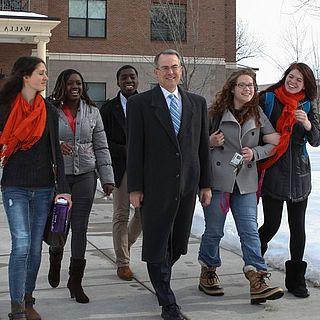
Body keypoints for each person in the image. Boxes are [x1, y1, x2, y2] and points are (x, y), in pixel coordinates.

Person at [126, 49, 212, 320]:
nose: (170, 72)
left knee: (176, 244)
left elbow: (202, 148)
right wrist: (135, 188)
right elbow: (134, 149)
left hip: (187, 186)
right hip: (155, 187)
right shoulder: (140, 104)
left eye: (174, 67)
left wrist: (205, 185)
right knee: (156, 243)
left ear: (181, 70)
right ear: (156, 72)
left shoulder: (197, 103)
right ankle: (167, 301)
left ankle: (161, 277)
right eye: (164, 68)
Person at [197, 68, 284, 304]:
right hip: (217, 182)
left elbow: (275, 142)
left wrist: (255, 153)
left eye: (251, 86)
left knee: (249, 230)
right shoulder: (214, 113)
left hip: (245, 182)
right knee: (214, 230)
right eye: (243, 85)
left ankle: (257, 277)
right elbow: (192, 144)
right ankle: (208, 271)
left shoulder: (257, 114)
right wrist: (209, 141)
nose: (248, 89)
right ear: (232, 88)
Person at [0, 56, 71, 320]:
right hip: (14, 186)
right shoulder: (5, 108)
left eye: (45, 73)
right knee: (20, 244)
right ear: (25, 77)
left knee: (35, 248)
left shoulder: (50, 111)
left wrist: (63, 189)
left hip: (43, 189)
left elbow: (57, 153)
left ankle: (28, 299)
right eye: (40, 73)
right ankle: (16, 306)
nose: (45, 77)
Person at [47, 69, 114, 303]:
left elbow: (102, 147)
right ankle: (55, 257)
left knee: (80, 228)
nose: (75, 87)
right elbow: (40, 140)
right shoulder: (50, 111)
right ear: (61, 86)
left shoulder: (93, 112)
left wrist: (107, 178)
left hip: (86, 176)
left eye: (79, 83)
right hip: (60, 179)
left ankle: (75, 281)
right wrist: (56, 144)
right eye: (70, 83)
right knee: (59, 227)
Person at [258, 62, 320, 298]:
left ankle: (296, 281)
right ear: (285, 77)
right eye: (291, 77)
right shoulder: (269, 99)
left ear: (305, 84)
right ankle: (254, 265)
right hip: (274, 169)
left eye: (299, 80)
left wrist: (306, 123)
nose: (293, 82)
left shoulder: (307, 103)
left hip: (300, 175)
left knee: (298, 228)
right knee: (271, 226)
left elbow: (315, 140)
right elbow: (257, 129)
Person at [100, 65, 141, 281]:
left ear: (137, 80)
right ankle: (123, 262)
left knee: (144, 213)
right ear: (117, 82)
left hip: (144, 168)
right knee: (121, 214)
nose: (128, 80)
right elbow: (102, 140)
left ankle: (125, 244)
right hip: (120, 167)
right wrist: (124, 150)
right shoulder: (107, 109)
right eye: (124, 77)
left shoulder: (147, 104)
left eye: (132, 77)